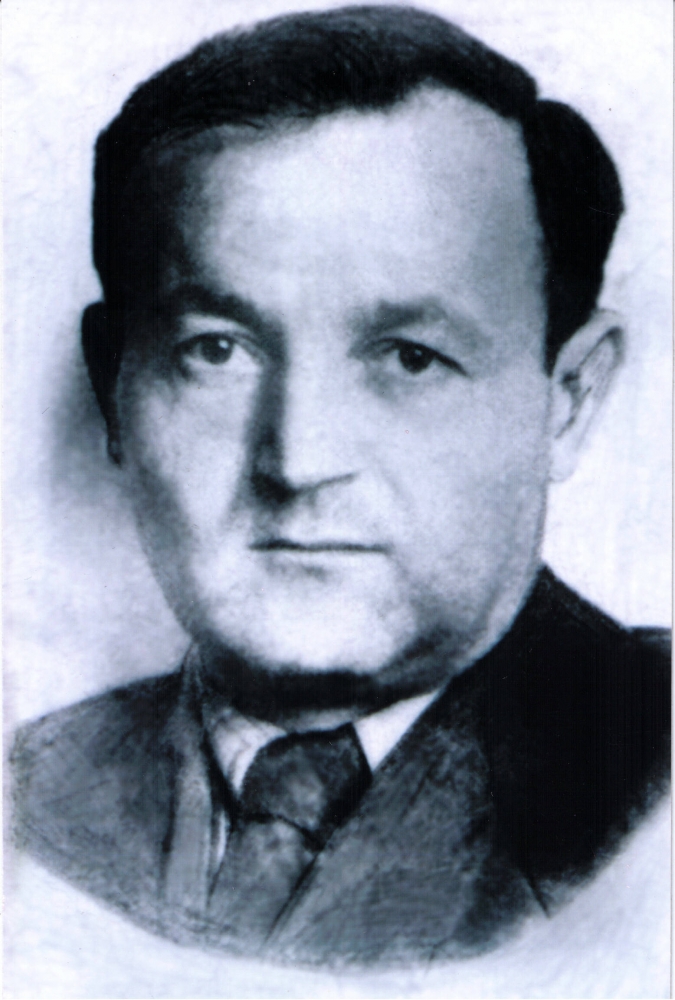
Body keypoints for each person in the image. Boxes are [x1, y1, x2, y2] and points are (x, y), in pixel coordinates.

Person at [12, 4, 669, 969]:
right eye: (217, 350)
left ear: (566, 400)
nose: (297, 459)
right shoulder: (29, 793)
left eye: (409, 357)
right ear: (114, 384)